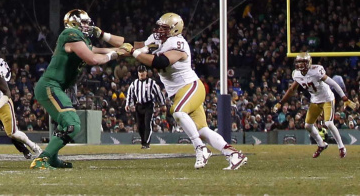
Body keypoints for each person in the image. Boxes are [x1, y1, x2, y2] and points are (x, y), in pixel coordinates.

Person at [132, 13, 247, 170]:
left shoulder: (177, 42)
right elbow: (136, 45)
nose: (159, 30)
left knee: (178, 112)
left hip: (190, 87)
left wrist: (135, 53)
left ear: (174, 29)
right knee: (203, 130)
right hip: (181, 92)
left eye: (164, 28)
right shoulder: (157, 39)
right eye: (159, 27)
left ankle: (200, 148)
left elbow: (160, 61)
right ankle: (233, 154)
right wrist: (106, 38)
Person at [30, 9, 130, 170]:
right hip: (50, 86)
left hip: (57, 87)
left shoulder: (83, 41)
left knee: (65, 125)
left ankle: (52, 158)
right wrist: (114, 55)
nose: (87, 25)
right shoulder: (70, 34)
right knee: (72, 124)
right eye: (83, 22)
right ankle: (42, 159)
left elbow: (105, 50)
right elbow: (93, 59)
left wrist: (123, 50)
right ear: (73, 22)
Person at [278, 52, 347, 158]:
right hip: (315, 100)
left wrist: (344, 97)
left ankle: (342, 147)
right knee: (308, 125)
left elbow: (332, 83)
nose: (300, 65)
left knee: (328, 123)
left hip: (327, 98)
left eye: (303, 62)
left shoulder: (316, 71)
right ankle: (321, 144)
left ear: (308, 62)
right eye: (299, 62)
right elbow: (292, 89)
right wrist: (280, 102)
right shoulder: (296, 74)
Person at [125, 65, 166, 148]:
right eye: (140, 72)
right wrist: (127, 104)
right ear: (138, 73)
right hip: (139, 105)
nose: (141, 73)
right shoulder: (134, 83)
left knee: (147, 124)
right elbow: (130, 94)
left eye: (143, 72)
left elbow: (159, 93)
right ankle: (143, 141)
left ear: (146, 73)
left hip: (149, 105)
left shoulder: (151, 82)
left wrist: (163, 104)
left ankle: (146, 144)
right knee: (140, 126)